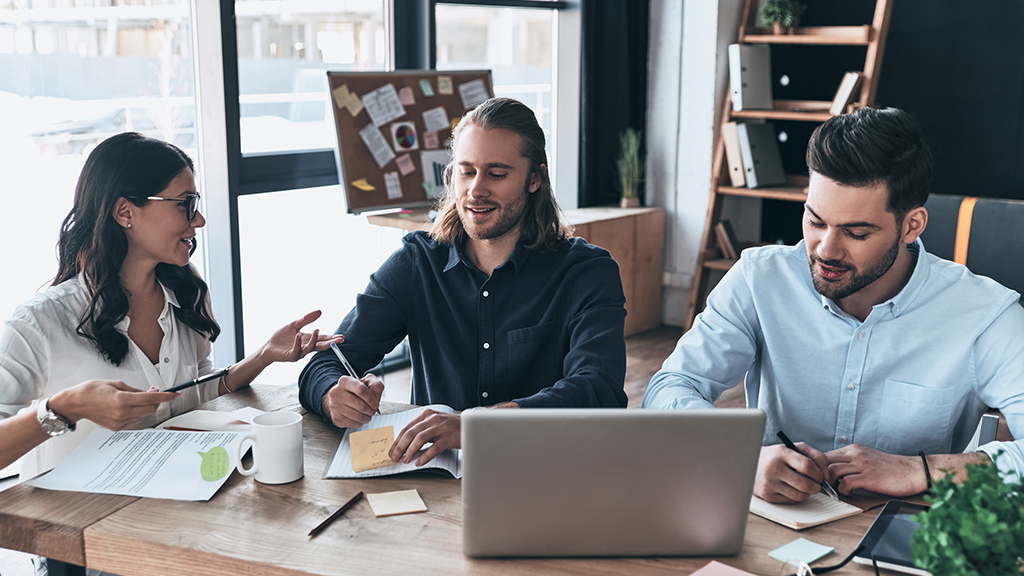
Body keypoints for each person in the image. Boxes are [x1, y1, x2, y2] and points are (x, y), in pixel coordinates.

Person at [644, 107, 1024, 503]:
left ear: (912, 225)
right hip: (773, 523)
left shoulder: (984, 315)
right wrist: (737, 457)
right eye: (815, 220)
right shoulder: (760, 280)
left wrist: (919, 469)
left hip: (903, 536)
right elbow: (671, 386)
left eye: (856, 232)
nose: (825, 249)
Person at [299, 97, 627, 466]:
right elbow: (327, 363)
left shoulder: (587, 272)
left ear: (535, 179)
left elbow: (599, 389)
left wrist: (477, 425)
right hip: (434, 478)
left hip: (544, 470)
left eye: (497, 174)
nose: (475, 190)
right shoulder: (416, 263)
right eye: (466, 171)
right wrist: (332, 395)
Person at [0, 132, 341, 478]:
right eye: (185, 204)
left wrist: (264, 355)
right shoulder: (40, 323)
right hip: (74, 523)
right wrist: (67, 407)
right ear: (125, 212)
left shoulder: (185, 293)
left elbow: (197, 392)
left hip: (169, 510)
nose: (199, 220)